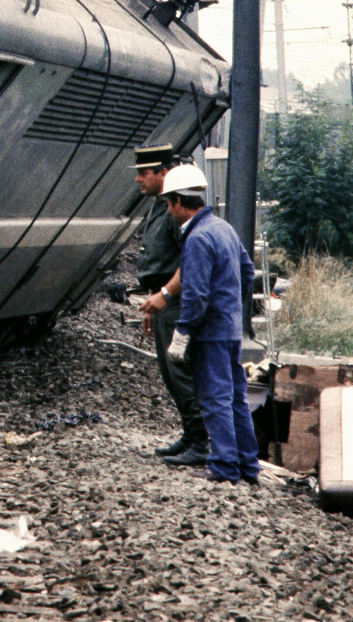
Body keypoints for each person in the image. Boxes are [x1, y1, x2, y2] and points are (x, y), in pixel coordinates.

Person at [160, 164, 259, 486]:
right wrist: (231, 308)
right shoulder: (223, 228)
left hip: (211, 333)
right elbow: (247, 271)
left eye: (168, 203)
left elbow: (196, 293)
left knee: (214, 398)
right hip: (229, 329)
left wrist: (183, 332)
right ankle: (247, 466)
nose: (168, 210)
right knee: (235, 398)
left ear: (178, 201)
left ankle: (224, 467)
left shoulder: (197, 237)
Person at [133, 145, 208, 466]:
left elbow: (188, 262)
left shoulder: (177, 212)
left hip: (175, 301)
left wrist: (163, 295)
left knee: (180, 371)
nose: (138, 179)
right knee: (169, 372)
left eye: (144, 173)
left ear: (164, 173)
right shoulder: (159, 206)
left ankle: (201, 444)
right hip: (163, 300)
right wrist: (156, 301)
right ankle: (191, 436)